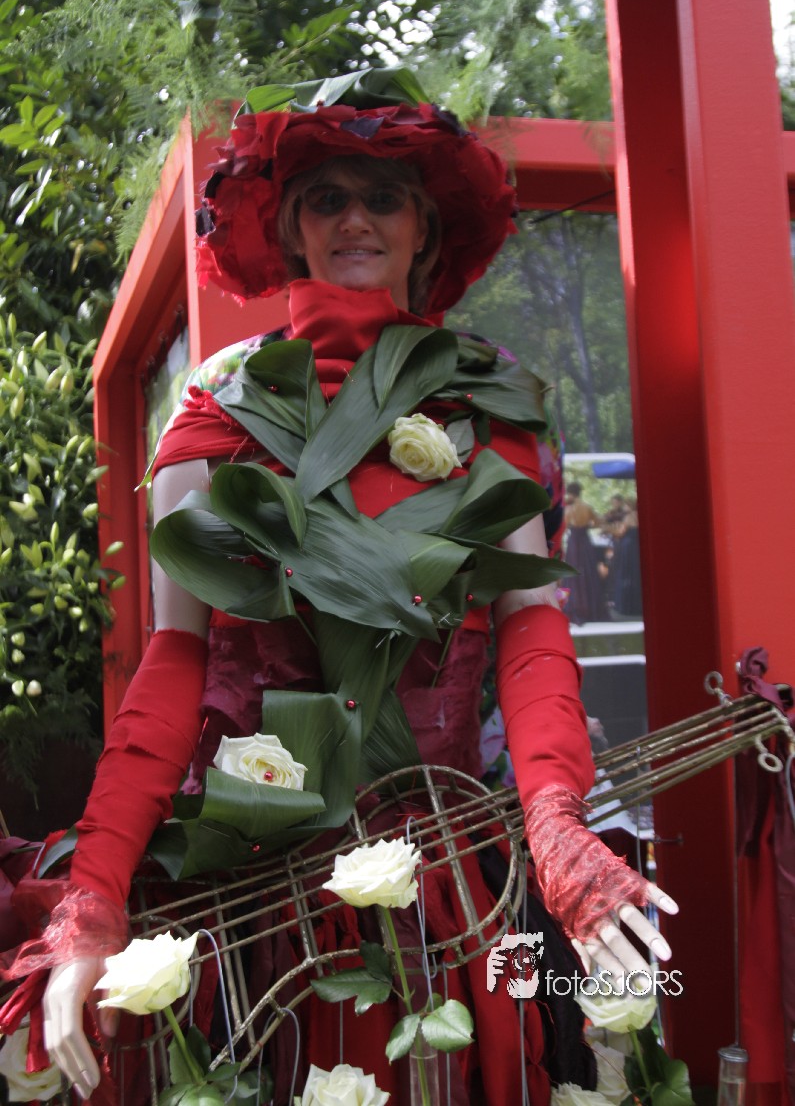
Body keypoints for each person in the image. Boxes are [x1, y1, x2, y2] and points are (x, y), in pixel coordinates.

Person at [0, 79, 677, 1103]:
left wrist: (556, 828)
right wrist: (92, 896)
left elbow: (532, 632)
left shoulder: (491, 401)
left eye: (383, 196)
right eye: (326, 197)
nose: (355, 218)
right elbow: (175, 660)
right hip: (258, 893)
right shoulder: (218, 406)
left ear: (424, 228)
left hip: (449, 875)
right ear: (290, 229)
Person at [561, 481, 609, 624]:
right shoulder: (587, 507)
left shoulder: (568, 509)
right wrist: (588, 525)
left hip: (573, 542)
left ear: (571, 493)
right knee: (589, 571)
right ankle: (591, 607)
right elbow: (598, 522)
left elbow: (565, 526)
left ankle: (574, 606)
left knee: (572, 572)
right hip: (585, 541)